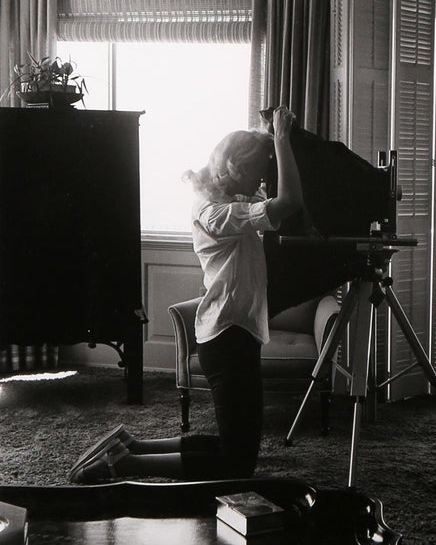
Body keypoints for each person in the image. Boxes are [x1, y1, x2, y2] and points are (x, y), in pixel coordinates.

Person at [69, 106, 302, 483]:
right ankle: (126, 467)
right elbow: (288, 203)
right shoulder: (216, 214)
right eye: (260, 169)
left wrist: (269, 138)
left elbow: (274, 197)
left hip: (232, 335)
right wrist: (281, 138)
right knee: (237, 465)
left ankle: (132, 446)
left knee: (234, 446)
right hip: (229, 339)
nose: (264, 178)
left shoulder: (227, 203)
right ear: (234, 168)